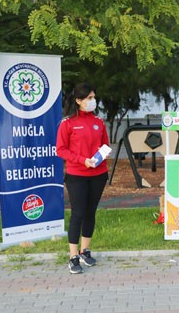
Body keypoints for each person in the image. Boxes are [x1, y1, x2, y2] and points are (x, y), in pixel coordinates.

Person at [56, 83, 110, 274]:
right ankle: (73, 257)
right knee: (78, 214)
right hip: (77, 175)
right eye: (89, 98)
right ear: (78, 100)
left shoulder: (99, 122)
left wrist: (99, 157)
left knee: (90, 213)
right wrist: (82, 160)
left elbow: (105, 145)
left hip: (98, 175)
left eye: (93, 97)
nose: (92, 101)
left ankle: (85, 251)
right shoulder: (67, 123)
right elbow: (61, 150)